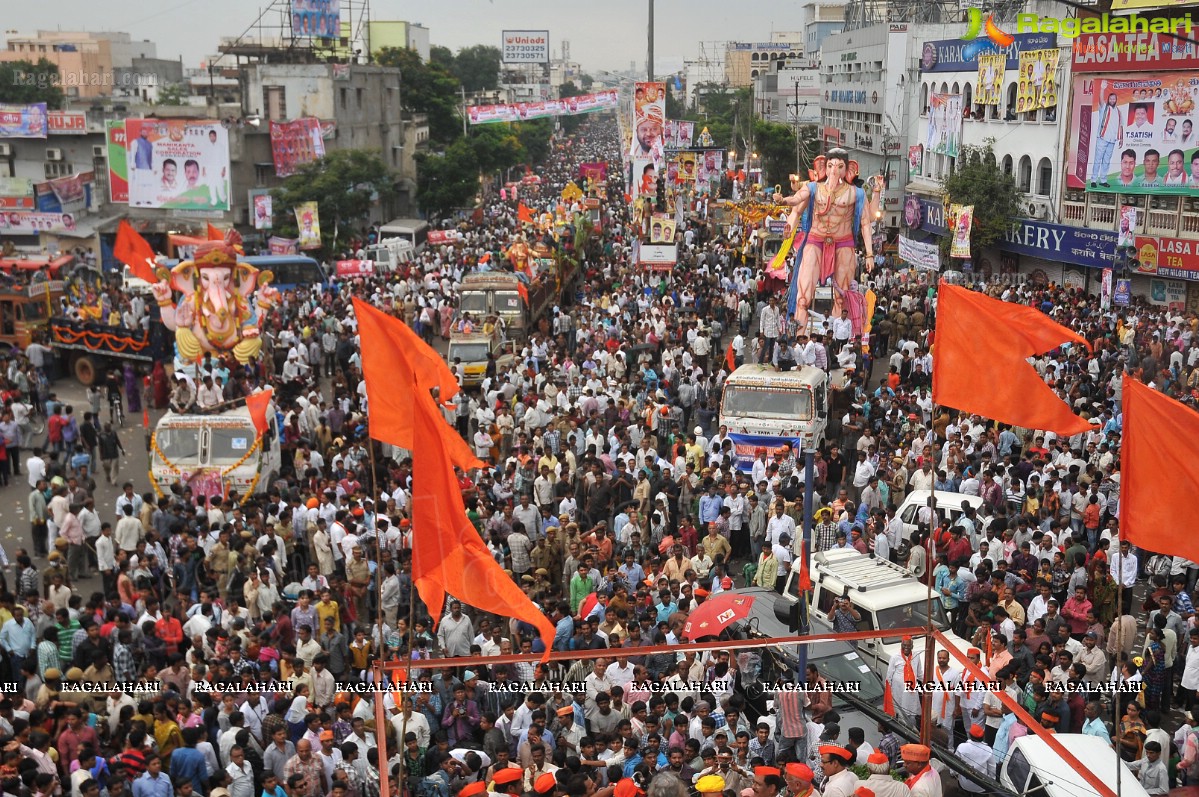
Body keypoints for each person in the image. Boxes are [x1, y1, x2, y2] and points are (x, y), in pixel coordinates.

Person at [781, 148, 882, 335]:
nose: (834, 170)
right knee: (803, 297)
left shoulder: (855, 193)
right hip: (815, 239)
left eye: (839, 166)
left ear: (848, 170)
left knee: (841, 298)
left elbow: (866, 223)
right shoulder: (813, 188)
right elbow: (796, 203)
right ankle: (799, 337)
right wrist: (785, 206)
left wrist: (869, 254)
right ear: (823, 167)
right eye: (830, 165)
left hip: (843, 242)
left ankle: (836, 341)